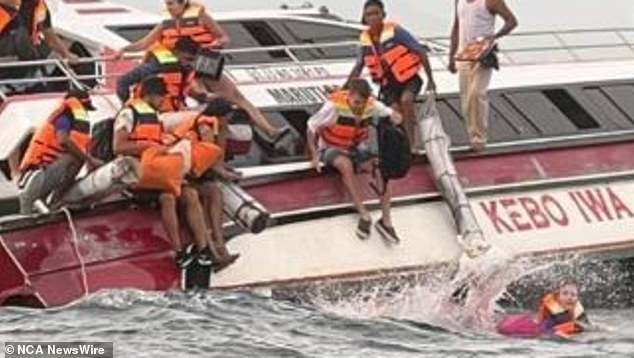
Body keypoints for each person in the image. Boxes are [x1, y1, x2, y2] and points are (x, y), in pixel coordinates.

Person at [114, 0, 286, 141]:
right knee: (202, 97)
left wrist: (217, 44)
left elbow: (223, 37)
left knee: (237, 97)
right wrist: (123, 50)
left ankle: (269, 131)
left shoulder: (201, 16)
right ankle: (207, 134)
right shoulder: (165, 23)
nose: (169, 8)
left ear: (183, 3)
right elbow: (143, 44)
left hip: (203, 61)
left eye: (172, 4)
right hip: (180, 67)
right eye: (167, 4)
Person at [112, 76, 226, 269]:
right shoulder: (128, 114)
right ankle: (179, 251)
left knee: (189, 193)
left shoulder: (154, 117)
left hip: (157, 167)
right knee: (168, 197)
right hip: (135, 172)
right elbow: (119, 146)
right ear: (151, 95)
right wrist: (149, 147)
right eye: (161, 98)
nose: (162, 102)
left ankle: (204, 249)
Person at [306, 78, 402, 242]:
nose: (359, 107)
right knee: (345, 165)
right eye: (356, 102)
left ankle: (386, 220)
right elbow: (311, 127)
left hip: (355, 147)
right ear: (349, 96)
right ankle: (363, 214)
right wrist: (314, 156)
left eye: (362, 103)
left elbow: (392, 114)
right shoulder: (333, 107)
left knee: (380, 166)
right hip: (331, 146)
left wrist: (395, 117)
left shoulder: (371, 105)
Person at [346, 0, 436, 148]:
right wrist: (346, 87)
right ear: (364, 18)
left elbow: (420, 51)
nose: (373, 17)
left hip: (409, 79)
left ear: (383, 15)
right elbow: (358, 67)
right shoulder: (365, 41)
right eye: (369, 15)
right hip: (388, 84)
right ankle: (401, 144)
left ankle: (411, 144)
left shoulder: (396, 32)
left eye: (376, 13)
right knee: (394, 112)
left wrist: (430, 80)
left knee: (406, 100)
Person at [168, 98, 241, 267]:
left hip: (184, 170)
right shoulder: (206, 127)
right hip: (178, 173)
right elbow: (209, 157)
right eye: (228, 117)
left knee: (214, 192)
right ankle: (214, 251)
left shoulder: (202, 122)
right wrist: (227, 174)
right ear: (221, 116)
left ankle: (219, 245)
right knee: (202, 197)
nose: (228, 121)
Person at [17, 89, 102, 214]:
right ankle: (56, 200)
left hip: (46, 173)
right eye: (85, 108)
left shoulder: (70, 121)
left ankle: (54, 199)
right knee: (75, 157)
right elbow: (63, 140)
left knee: (78, 156)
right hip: (36, 175)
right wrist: (90, 159)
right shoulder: (63, 118)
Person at [448, 0, 517, 151]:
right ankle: (472, 136)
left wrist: (494, 36)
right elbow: (456, 27)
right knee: (466, 98)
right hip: (464, 53)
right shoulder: (459, 2)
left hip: (483, 53)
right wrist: (451, 56)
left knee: (477, 93)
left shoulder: (491, 1)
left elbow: (511, 21)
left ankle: (479, 139)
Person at [0, 0, 78, 63]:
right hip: (7, 47)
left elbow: (48, 34)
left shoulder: (39, 7)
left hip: (19, 52)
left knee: (38, 46)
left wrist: (65, 54)